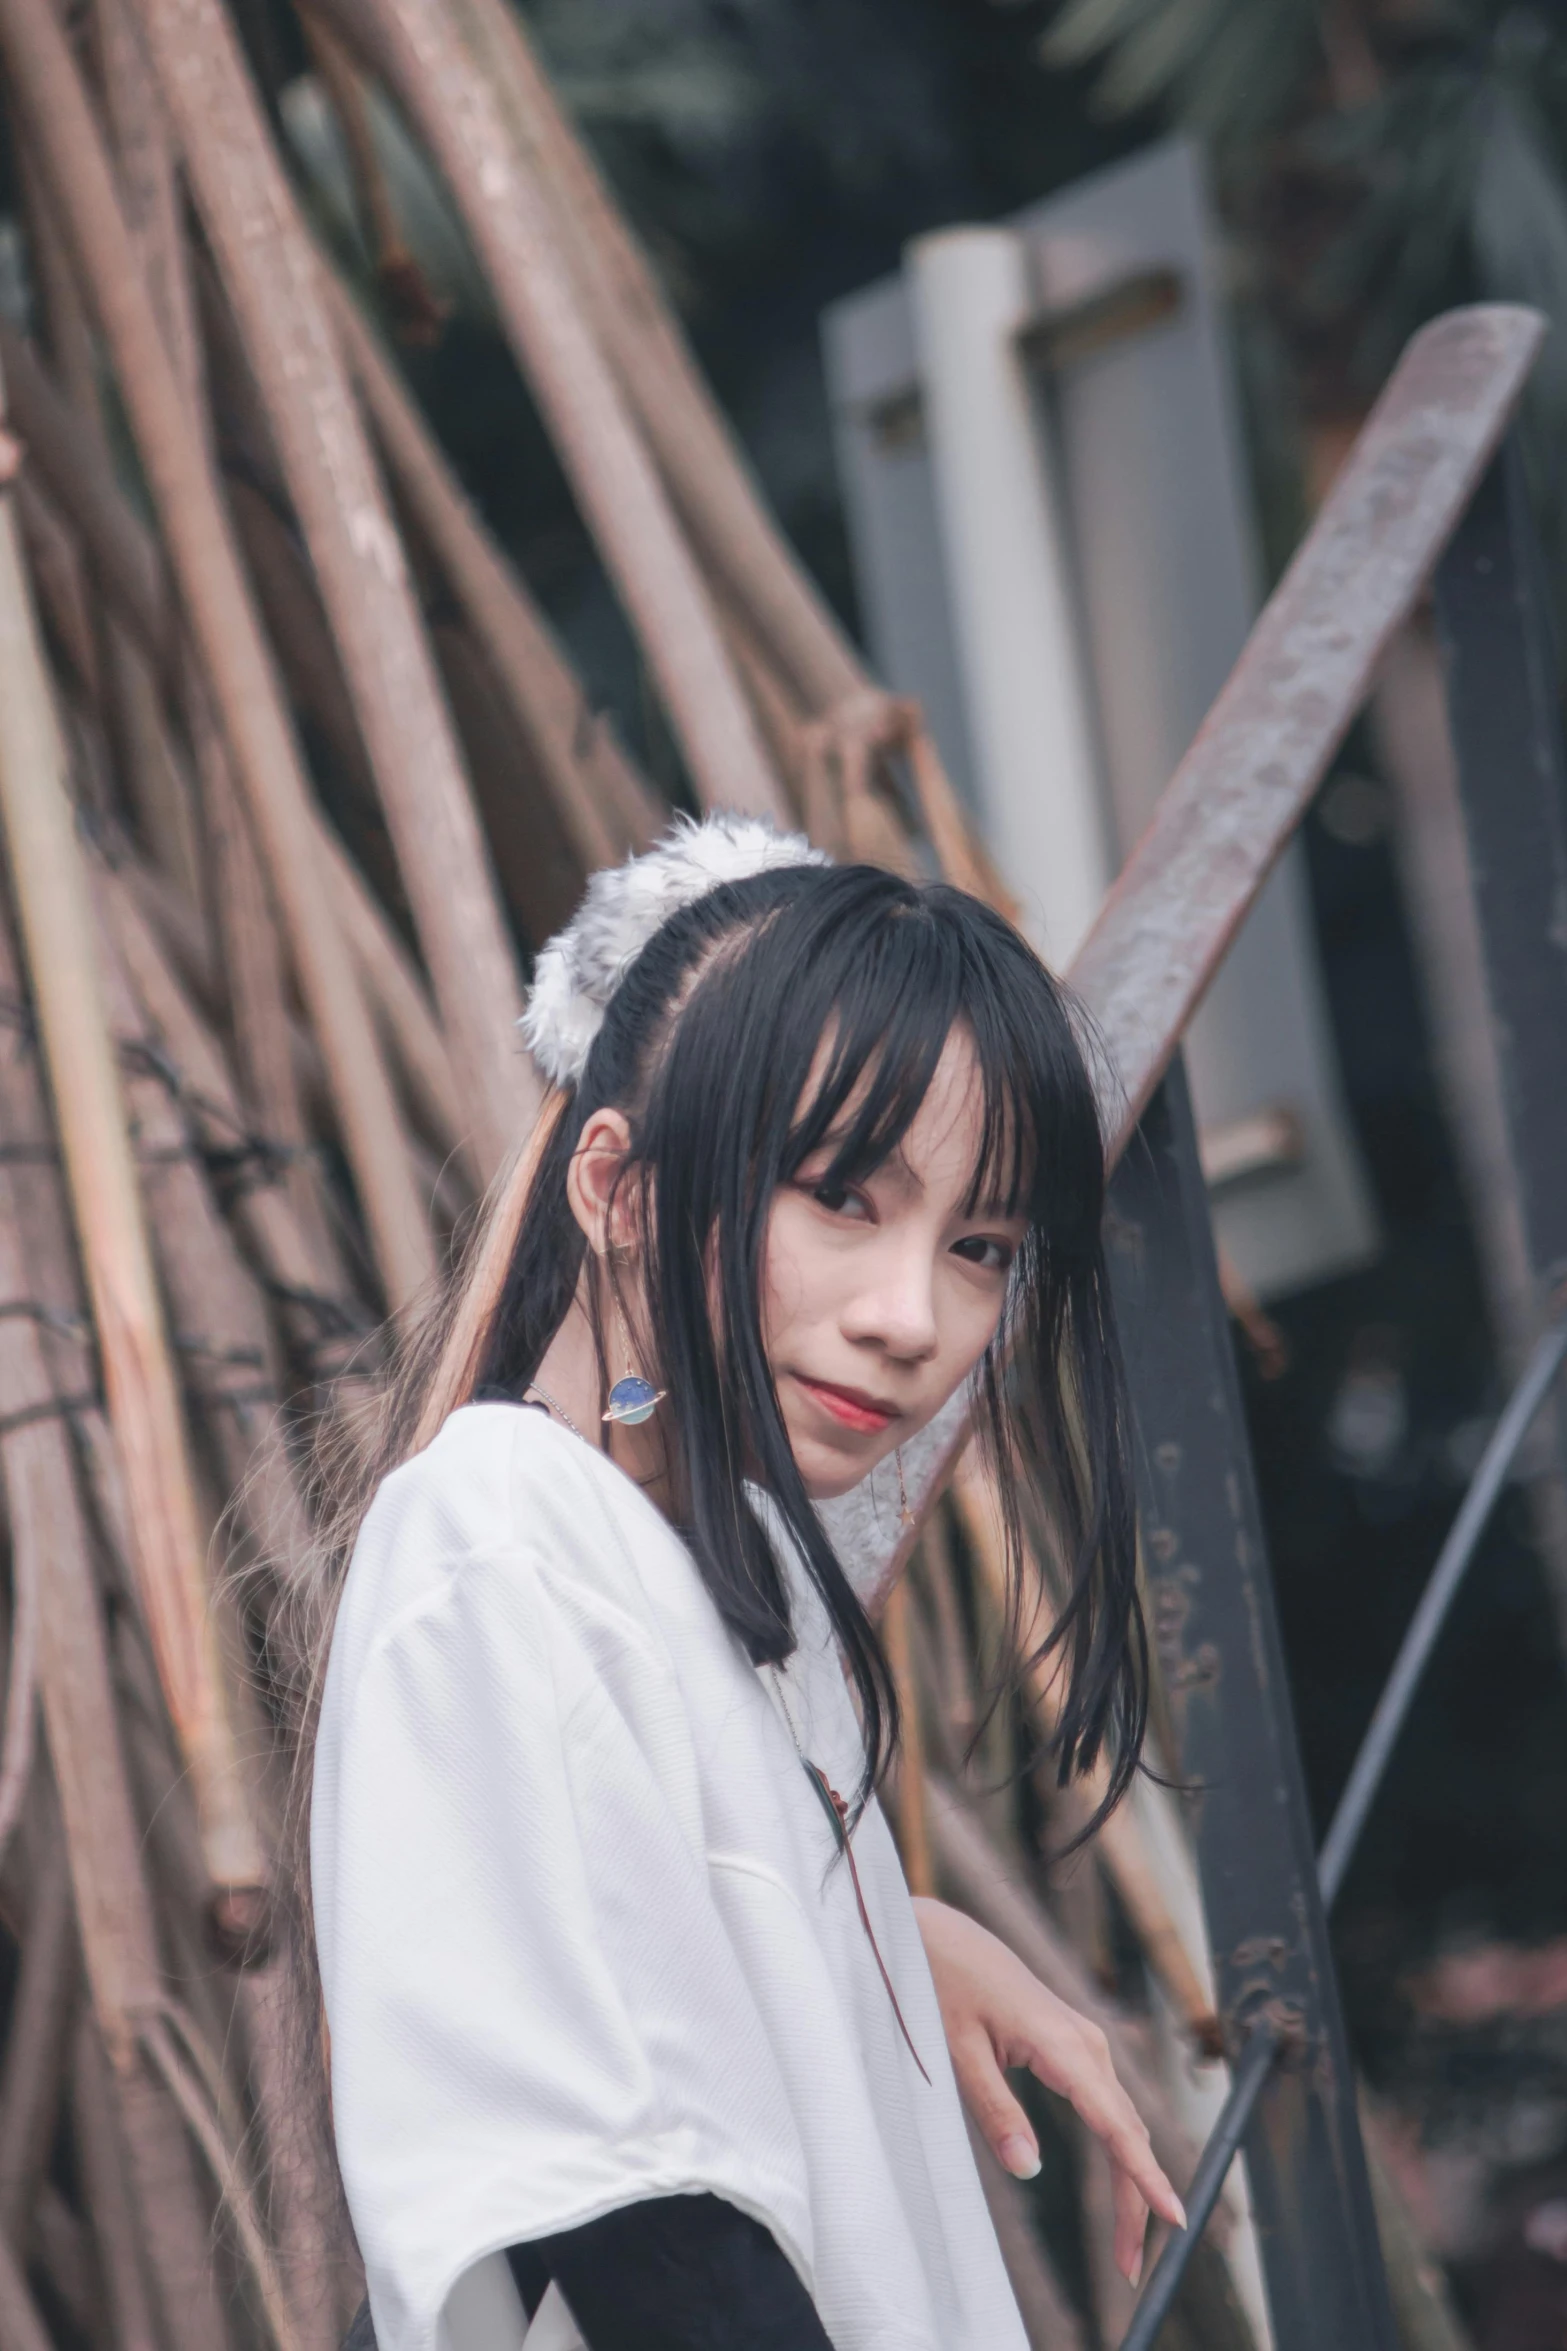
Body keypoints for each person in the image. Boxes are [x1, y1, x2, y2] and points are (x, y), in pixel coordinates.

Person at [299, 816, 1185, 2351]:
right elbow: (630, 2211)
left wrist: (876, 1933)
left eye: (979, 1244)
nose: (912, 1315)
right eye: (842, 1194)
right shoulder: (501, 1531)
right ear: (618, 1188)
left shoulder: (738, 1582)